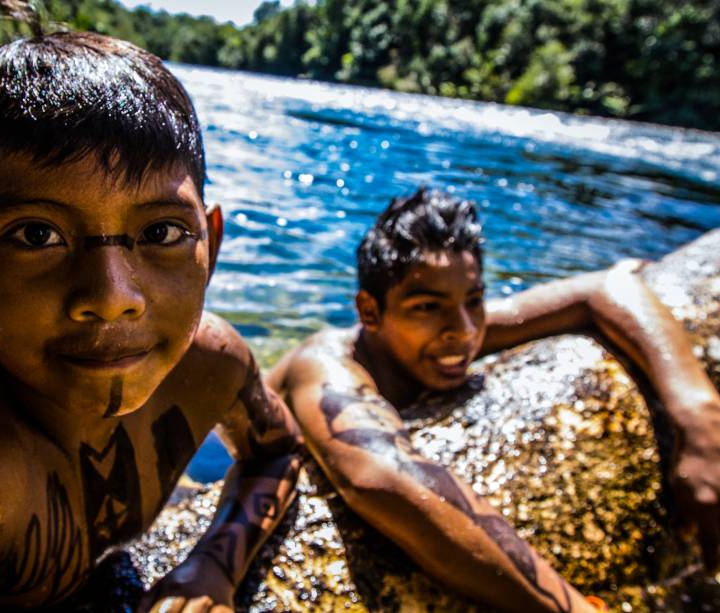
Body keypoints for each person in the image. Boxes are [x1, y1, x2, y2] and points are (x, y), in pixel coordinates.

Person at [0, 32, 301, 612]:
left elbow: (276, 452)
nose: (111, 297)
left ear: (212, 245)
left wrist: (212, 569)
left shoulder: (212, 364)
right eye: (36, 235)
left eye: (161, 233)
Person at [268, 188, 720, 613]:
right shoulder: (324, 364)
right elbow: (379, 476)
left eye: (476, 299)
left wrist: (699, 416)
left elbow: (607, 288)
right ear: (369, 312)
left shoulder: (448, 332)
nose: (463, 330)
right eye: (427, 307)